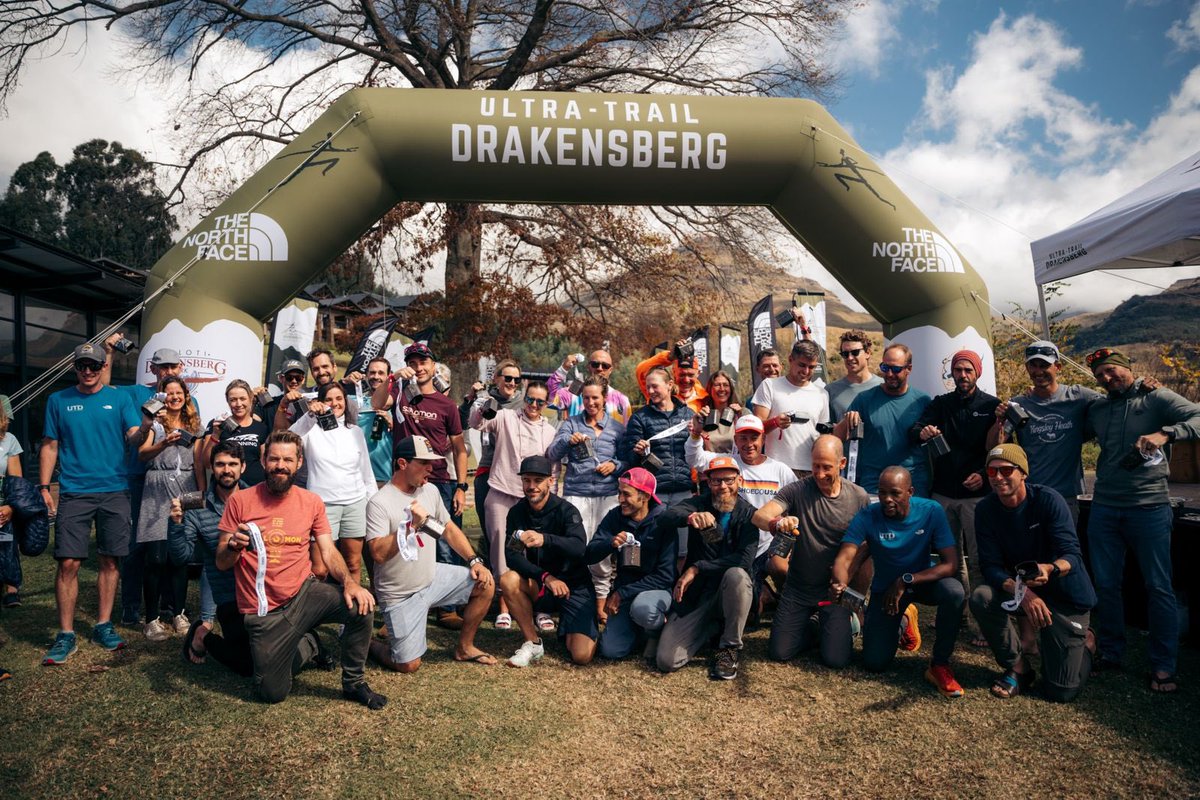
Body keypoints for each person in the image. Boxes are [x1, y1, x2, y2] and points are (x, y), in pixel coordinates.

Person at [216, 431, 385, 709]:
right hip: (264, 611)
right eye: (273, 459)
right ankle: (309, 645)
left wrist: (350, 583)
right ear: (263, 459)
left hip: (304, 595)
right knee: (272, 692)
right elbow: (221, 562)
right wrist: (233, 546)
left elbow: (329, 550)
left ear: (299, 463)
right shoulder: (240, 501)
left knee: (360, 606)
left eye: (287, 459)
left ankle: (354, 683)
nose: (280, 465)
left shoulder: (311, 501)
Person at [1084, 347, 1200, 694]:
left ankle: (1163, 666)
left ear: (1126, 368)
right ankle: (1112, 652)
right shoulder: (1098, 407)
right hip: (1104, 506)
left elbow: (1198, 417)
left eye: (1112, 371)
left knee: (1158, 586)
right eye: (1100, 375)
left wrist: (1166, 433)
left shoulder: (1157, 398)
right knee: (1105, 583)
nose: (1107, 378)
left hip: (1149, 507)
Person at [40, 342, 143, 665]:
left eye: (94, 366)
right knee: (68, 563)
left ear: (102, 367)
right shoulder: (58, 400)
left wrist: (150, 427)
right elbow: (50, 445)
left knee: (110, 560)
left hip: (114, 490)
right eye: (82, 365)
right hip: (75, 491)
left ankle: (103, 624)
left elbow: (135, 436)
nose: (87, 371)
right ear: (75, 367)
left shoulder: (120, 398)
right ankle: (66, 633)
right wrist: (44, 487)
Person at [971, 444, 1097, 702]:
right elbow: (990, 566)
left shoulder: (1049, 500)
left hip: (1064, 594)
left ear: (1023, 473)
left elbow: (1072, 554)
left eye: (1006, 470)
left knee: (1061, 691)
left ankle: (1087, 643)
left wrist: (1049, 569)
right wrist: (1024, 593)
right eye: (991, 472)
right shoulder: (985, 509)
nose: (998, 477)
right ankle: (1018, 668)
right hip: (1023, 591)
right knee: (981, 597)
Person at [831, 466, 965, 698]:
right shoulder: (868, 515)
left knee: (954, 591)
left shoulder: (931, 511)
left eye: (895, 493)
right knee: (874, 663)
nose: (887, 500)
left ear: (910, 491)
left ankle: (940, 664)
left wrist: (907, 580)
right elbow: (844, 558)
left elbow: (951, 564)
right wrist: (840, 583)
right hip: (886, 592)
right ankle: (903, 620)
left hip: (922, 582)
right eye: (882, 493)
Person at [366, 436, 497, 671]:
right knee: (408, 664)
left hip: (432, 577)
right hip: (400, 594)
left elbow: (447, 529)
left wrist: (474, 561)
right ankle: (366, 642)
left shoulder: (430, 490)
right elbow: (377, 553)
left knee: (485, 583)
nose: (431, 468)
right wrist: (411, 527)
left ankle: (465, 647)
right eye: (424, 463)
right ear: (403, 464)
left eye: (432, 462)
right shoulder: (379, 502)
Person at [100, 338, 200, 626]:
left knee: (171, 544)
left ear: (180, 368)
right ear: (153, 369)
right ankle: (132, 606)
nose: (167, 371)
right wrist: (108, 352)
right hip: (139, 476)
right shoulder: (136, 393)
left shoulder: (189, 401)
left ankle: (169, 606)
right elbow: (104, 390)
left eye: (172, 366)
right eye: (162, 367)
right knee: (137, 547)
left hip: (176, 481)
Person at [372, 341, 469, 629]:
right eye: (412, 363)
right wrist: (391, 379)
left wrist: (462, 486)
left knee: (443, 540)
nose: (418, 368)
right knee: (404, 537)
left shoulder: (446, 404)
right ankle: (407, 600)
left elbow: (460, 448)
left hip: (439, 479)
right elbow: (377, 404)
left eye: (423, 362)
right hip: (403, 480)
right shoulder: (400, 393)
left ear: (433, 365)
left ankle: (447, 608)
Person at [753, 436, 870, 668]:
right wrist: (777, 524)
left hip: (835, 592)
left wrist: (848, 580)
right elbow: (760, 516)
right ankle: (817, 626)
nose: (819, 473)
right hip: (799, 588)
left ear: (842, 463)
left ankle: (837, 622)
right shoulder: (797, 489)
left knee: (836, 660)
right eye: (815, 465)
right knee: (780, 652)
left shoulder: (858, 497)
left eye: (827, 467)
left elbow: (867, 545)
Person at [911, 349, 999, 643]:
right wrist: (924, 431)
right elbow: (915, 429)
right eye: (958, 370)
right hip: (944, 494)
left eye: (967, 370)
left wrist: (985, 474)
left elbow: (999, 450)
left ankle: (981, 622)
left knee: (977, 559)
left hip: (978, 495)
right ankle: (956, 612)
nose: (962, 375)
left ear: (977, 373)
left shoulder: (991, 406)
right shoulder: (941, 404)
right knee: (951, 559)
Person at [656, 456, 758, 680]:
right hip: (699, 595)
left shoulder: (749, 514)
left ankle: (729, 648)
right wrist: (690, 517)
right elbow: (666, 517)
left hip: (730, 593)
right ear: (708, 483)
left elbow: (744, 560)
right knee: (666, 660)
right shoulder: (699, 503)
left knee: (737, 576)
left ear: (739, 480)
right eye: (716, 481)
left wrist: (697, 568)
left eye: (729, 480)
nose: (723, 487)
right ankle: (710, 629)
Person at [686, 414, 795, 613]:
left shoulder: (780, 470)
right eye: (743, 438)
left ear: (763, 439)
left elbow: (796, 502)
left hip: (769, 544)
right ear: (735, 440)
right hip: (738, 546)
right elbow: (695, 458)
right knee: (754, 607)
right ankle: (762, 593)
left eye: (754, 438)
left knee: (781, 569)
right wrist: (695, 434)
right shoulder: (727, 464)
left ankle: (789, 601)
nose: (749, 444)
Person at [469, 380, 557, 627]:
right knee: (500, 550)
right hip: (501, 491)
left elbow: (554, 468)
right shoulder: (506, 416)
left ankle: (539, 607)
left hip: (532, 498)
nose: (534, 405)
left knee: (534, 552)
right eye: (530, 399)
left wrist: (550, 495)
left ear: (546, 404)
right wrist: (482, 404)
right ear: (524, 397)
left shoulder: (549, 431)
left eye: (540, 401)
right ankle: (504, 606)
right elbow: (478, 423)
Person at [987, 341, 1103, 520]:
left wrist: (1142, 386)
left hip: (1067, 496)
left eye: (1044, 365)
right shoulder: (1018, 404)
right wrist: (999, 421)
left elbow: (1114, 401)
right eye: (1033, 365)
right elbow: (994, 447)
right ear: (1027, 368)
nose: (1038, 371)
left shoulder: (1078, 396)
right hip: (1030, 494)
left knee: (1066, 547)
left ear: (1058, 367)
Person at [168, 441, 254, 675]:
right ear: (211, 468)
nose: (226, 470)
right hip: (229, 598)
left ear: (243, 467)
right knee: (248, 664)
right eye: (220, 464)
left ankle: (311, 644)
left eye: (233, 464)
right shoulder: (197, 506)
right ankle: (202, 635)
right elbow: (180, 557)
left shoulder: (259, 498)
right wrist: (175, 525)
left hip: (262, 593)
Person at [546, 376, 627, 621]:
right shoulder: (571, 424)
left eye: (595, 398)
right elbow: (552, 453)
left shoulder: (616, 428)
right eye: (587, 398)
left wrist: (614, 465)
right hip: (576, 494)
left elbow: (627, 461)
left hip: (607, 495)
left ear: (604, 399)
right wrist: (567, 441)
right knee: (575, 548)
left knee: (602, 549)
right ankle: (573, 600)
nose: (591, 402)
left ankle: (600, 603)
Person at [499, 456, 591, 667]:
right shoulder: (517, 512)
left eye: (538, 480)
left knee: (581, 656)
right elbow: (511, 556)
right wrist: (546, 577)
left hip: (573, 587)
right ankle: (533, 642)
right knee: (508, 579)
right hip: (541, 584)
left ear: (551, 481)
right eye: (526, 480)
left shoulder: (566, 510)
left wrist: (546, 539)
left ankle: (570, 627)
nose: (531, 486)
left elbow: (579, 548)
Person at [136, 375, 206, 641]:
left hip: (185, 487)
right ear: (162, 396)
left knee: (179, 558)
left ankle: (179, 612)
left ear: (186, 396)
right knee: (155, 558)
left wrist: (199, 497)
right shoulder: (156, 423)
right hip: (156, 488)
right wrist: (163, 443)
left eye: (179, 392)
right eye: (169, 392)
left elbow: (199, 463)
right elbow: (142, 454)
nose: (175, 396)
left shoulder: (195, 425)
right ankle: (151, 619)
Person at [290, 381, 376, 585]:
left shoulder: (355, 431)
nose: (335, 403)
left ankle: (352, 613)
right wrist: (310, 415)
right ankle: (318, 611)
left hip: (355, 503)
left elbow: (366, 472)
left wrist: (371, 501)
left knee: (353, 564)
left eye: (339, 399)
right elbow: (290, 437)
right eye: (329, 399)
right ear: (320, 402)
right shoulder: (310, 430)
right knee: (319, 568)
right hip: (322, 506)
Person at [585, 468, 676, 662]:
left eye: (626, 494)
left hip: (656, 592)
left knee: (643, 608)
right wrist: (610, 542)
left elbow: (666, 576)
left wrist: (620, 594)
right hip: (625, 592)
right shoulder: (615, 517)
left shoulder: (664, 521)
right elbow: (590, 553)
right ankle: (639, 631)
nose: (620, 499)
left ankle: (657, 632)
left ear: (645, 496)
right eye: (619, 492)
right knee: (611, 650)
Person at [835, 343, 931, 496]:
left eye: (896, 369)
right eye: (885, 368)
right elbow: (837, 437)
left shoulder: (922, 401)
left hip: (912, 486)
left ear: (909, 369)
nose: (890, 374)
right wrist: (847, 421)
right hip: (874, 487)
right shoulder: (864, 399)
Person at [618, 367, 694, 554]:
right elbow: (629, 459)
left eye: (654, 386)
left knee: (683, 550)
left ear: (669, 385)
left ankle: (678, 583)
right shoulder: (640, 417)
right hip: (653, 493)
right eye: (647, 387)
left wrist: (699, 434)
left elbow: (697, 451)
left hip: (683, 490)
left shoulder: (688, 414)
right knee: (652, 547)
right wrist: (637, 452)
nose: (650, 391)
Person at [751, 340, 830, 477]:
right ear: (790, 360)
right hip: (776, 467)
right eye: (802, 365)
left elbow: (823, 434)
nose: (806, 371)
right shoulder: (769, 386)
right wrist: (775, 422)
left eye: (811, 367)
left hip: (811, 469)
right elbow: (756, 429)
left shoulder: (822, 394)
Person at [202, 379, 269, 486]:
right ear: (227, 401)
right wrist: (215, 435)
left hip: (254, 489)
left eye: (243, 399)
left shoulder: (261, 427)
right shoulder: (217, 425)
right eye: (233, 400)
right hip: (224, 490)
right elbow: (206, 463)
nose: (238, 404)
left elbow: (265, 462)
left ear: (251, 399)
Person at [548, 349, 631, 423]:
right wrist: (563, 368)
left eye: (605, 366)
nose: (600, 368)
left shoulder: (621, 399)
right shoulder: (573, 392)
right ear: (588, 367)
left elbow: (628, 432)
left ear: (610, 370)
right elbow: (548, 399)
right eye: (595, 364)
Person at [635, 338, 708, 414]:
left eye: (690, 375)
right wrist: (669, 357)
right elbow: (641, 370)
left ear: (698, 373)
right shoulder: (661, 392)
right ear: (673, 372)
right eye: (682, 375)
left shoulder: (705, 398)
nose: (686, 380)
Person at [353, 357, 395, 487]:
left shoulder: (395, 401)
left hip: (382, 476)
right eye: (372, 372)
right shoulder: (353, 400)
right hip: (356, 476)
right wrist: (344, 381)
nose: (376, 376)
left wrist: (393, 424)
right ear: (366, 375)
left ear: (388, 376)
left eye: (381, 373)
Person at [0, 397, 25, 608]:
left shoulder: (9, 440)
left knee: (6, 544)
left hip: (2, 505)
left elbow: (16, 480)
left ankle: (12, 587)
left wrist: (10, 506)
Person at [826, 330, 882, 421]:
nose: (850, 358)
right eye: (845, 354)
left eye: (855, 352)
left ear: (868, 353)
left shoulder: (883, 386)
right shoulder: (831, 390)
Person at [698, 370, 742, 454]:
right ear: (710, 389)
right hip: (710, 464)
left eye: (725, 385)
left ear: (731, 389)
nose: (722, 389)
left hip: (734, 464)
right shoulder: (703, 414)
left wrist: (741, 417)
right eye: (717, 385)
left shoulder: (742, 412)